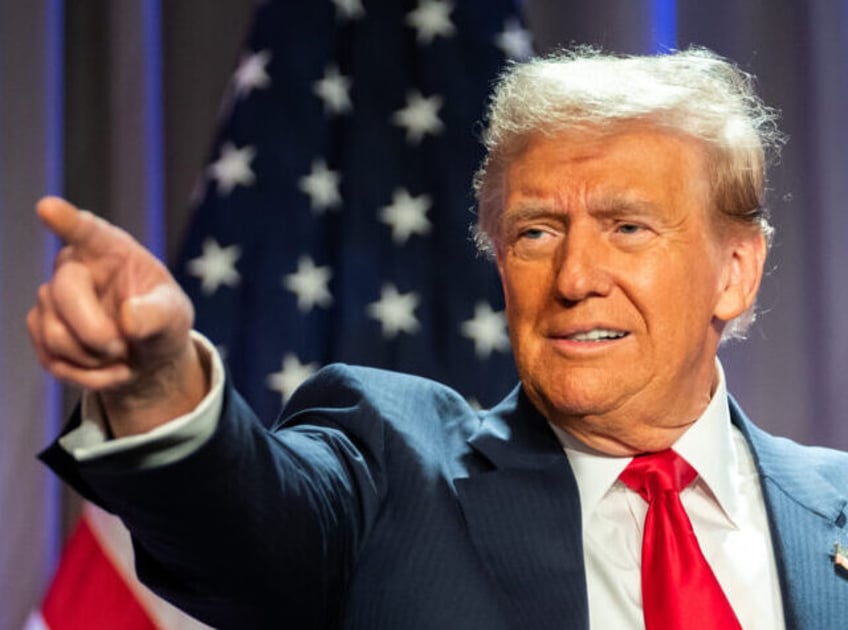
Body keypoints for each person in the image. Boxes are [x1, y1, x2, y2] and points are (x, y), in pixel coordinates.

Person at [28, 47, 848, 630]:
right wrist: (157, 385)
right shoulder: (392, 474)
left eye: (628, 227)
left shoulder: (833, 514)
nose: (573, 277)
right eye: (534, 233)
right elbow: (247, 530)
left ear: (735, 271)